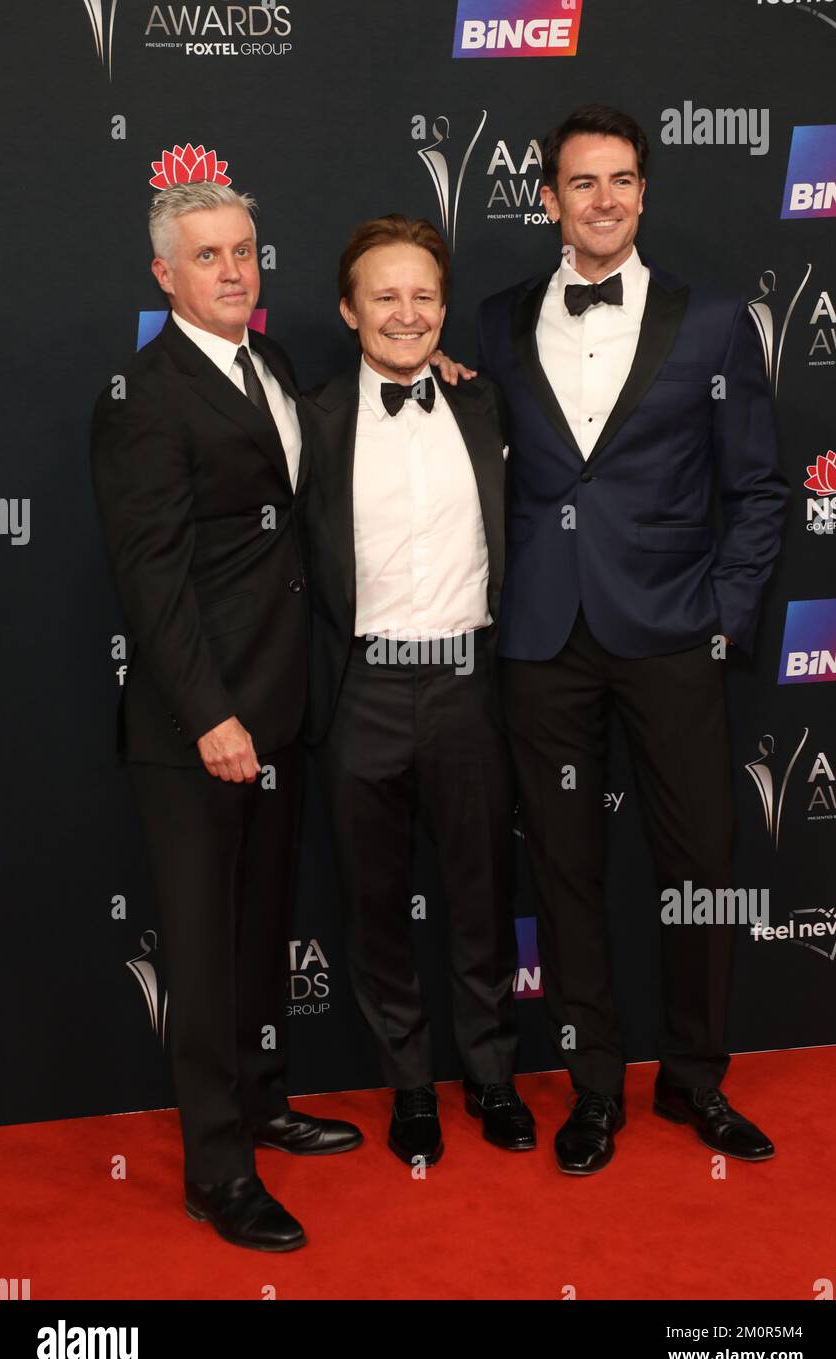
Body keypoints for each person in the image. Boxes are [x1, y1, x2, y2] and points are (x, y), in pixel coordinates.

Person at [478, 104, 789, 1174]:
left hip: (669, 637)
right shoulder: (495, 322)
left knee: (699, 860)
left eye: (618, 180)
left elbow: (757, 490)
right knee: (563, 868)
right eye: (579, 182)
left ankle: (695, 1082)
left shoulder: (708, 325)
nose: (600, 200)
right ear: (548, 198)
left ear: (643, 192)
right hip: (542, 641)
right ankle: (594, 1087)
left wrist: (721, 618)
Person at [90, 180, 362, 1253]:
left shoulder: (275, 366)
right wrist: (210, 716)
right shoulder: (142, 395)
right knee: (202, 957)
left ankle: (259, 1099)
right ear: (164, 274)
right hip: (199, 729)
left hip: (284, 708)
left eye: (244, 250)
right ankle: (216, 1170)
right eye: (208, 256)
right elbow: (149, 581)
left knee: (259, 934)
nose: (235, 270)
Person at [302, 215, 535, 1167]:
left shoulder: (489, 406)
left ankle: (488, 1074)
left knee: (483, 890)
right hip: (358, 688)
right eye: (385, 296)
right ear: (349, 310)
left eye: (424, 296)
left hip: (469, 685)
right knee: (374, 900)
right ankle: (409, 1089)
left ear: (445, 308)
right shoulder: (308, 419)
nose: (407, 313)